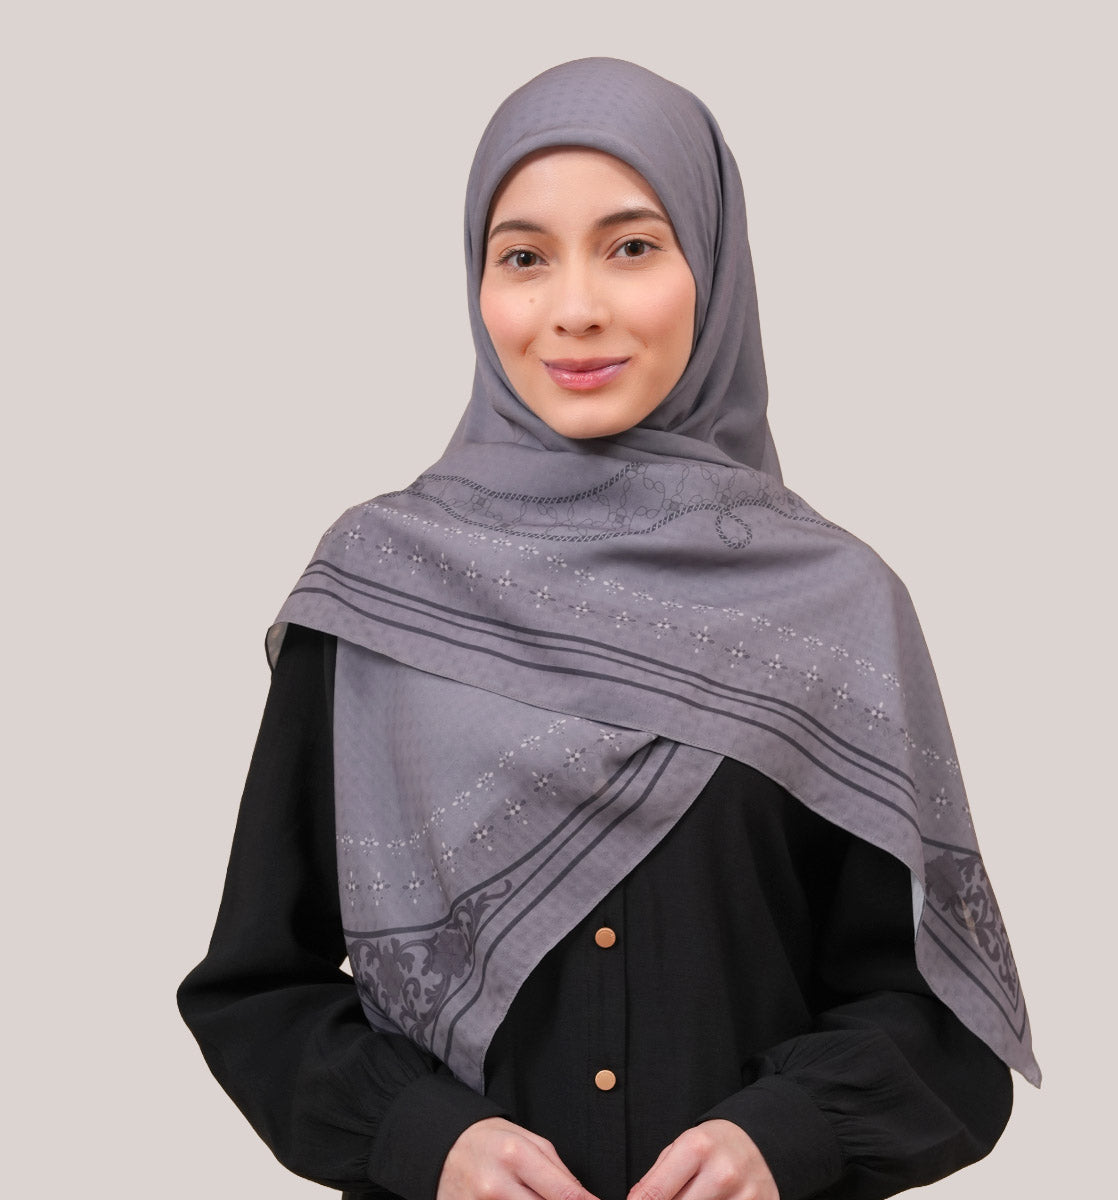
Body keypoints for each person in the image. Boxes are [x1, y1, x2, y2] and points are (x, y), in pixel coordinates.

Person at [179, 57, 1038, 1200]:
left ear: (711, 266)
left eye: (631, 246)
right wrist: (423, 1137)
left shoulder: (836, 611)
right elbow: (256, 991)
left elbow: (948, 1029)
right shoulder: (378, 592)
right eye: (524, 257)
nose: (575, 307)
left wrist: (786, 1134)